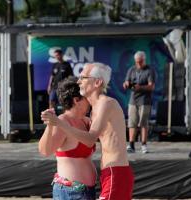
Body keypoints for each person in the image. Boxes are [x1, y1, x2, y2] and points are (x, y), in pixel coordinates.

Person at [42, 62, 134, 200]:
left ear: (97, 82)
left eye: (83, 77)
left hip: (116, 172)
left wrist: (60, 123)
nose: (79, 81)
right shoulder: (94, 110)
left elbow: (90, 139)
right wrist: (52, 125)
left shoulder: (106, 104)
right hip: (109, 174)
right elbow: (46, 150)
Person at [39, 76, 97, 200]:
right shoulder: (62, 121)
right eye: (87, 97)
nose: (90, 100)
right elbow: (45, 151)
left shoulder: (86, 121)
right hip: (71, 193)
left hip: (86, 192)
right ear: (77, 100)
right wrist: (49, 126)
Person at [123, 51, 156, 154]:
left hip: (145, 101)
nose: (138, 64)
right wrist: (126, 84)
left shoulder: (149, 70)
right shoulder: (131, 70)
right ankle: (131, 144)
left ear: (144, 60)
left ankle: (143, 144)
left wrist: (140, 87)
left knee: (143, 123)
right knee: (132, 123)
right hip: (133, 100)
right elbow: (126, 82)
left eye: (140, 62)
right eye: (137, 62)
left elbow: (151, 86)